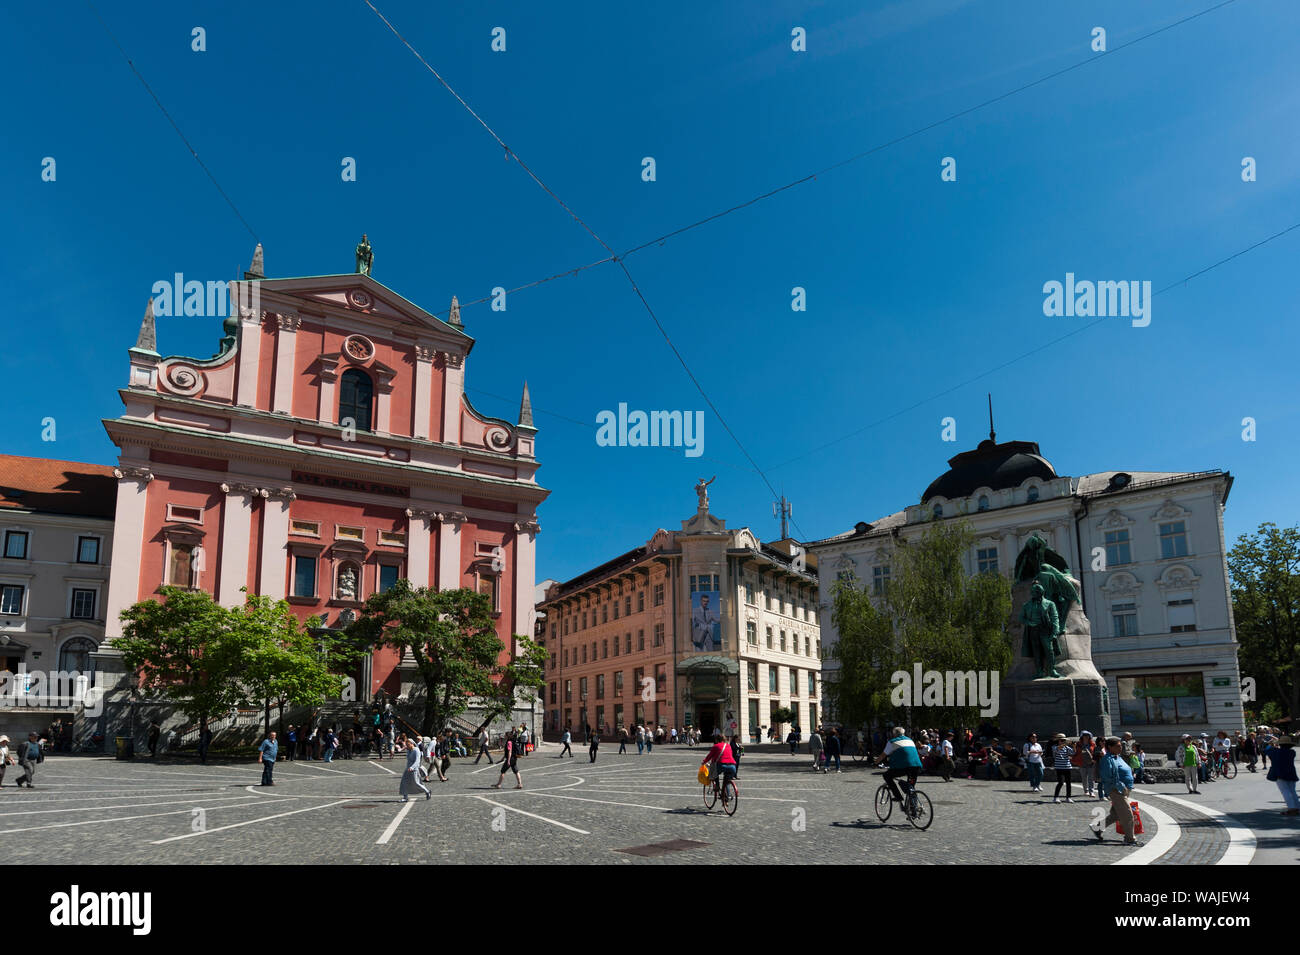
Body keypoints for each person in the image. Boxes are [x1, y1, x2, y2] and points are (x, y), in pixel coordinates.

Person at [1092, 736, 1140, 847]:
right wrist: (1121, 786)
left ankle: (1098, 828)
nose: (1120, 748)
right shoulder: (1107, 759)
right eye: (1118, 746)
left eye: (1120, 746)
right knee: (1128, 814)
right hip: (1117, 790)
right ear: (1110, 747)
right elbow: (1108, 777)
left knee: (1116, 814)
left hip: (1124, 790)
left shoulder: (1117, 757)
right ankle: (1129, 839)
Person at [876, 726, 922, 803]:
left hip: (903, 767)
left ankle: (898, 796)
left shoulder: (892, 742)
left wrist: (875, 762)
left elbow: (883, 755)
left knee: (887, 776)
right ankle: (914, 810)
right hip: (916, 766)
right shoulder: (910, 740)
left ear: (894, 734)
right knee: (911, 788)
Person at [1264, 735, 1298, 815]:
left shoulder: (1275, 751)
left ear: (1280, 744)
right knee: (1292, 791)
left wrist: (1270, 744)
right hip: (1291, 773)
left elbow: (1266, 750)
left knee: (1285, 791)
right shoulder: (1292, 752)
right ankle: (1297, 807)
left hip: (1280, 773)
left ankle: (1291, 808)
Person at [400, 737, 431, 802]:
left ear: (412, 744)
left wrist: (412, 767)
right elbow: (408, 760)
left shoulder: (416, 750)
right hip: (407, 769)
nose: (407, 746)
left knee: (417, 783)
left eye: (408, 745)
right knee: (404, 782)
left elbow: (417, 761)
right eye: (406, 745)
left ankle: (427, 791)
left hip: (414, 769)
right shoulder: (409, 750)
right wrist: (408, 767)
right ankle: (405, 797)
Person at [1050, 734, 1075, 803]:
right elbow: (1057, 750)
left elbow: (1073, 753)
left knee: (1068, 783)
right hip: (1059, 767)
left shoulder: (1066, 747)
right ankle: (1056, 797)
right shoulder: (1054, 747)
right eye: (1062, 740)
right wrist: (1064, 744)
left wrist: (1074, 746)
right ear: (1058, 741)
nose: (1063, 741)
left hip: (1067, 767)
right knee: (1060, 782)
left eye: (1064, 740)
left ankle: (1068, 797)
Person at [1074, 731, 1096, 797]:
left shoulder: (1092, 744)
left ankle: (1091, 791)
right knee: (1084, 778)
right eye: (1084, 736)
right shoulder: (1078, 744)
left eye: (1087, 736)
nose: (1086, 737)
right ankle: (1085, 790)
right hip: (1082, 762)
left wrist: (1094, 759)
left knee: (1091, 778)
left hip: (1091, 763)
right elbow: (1075, 752)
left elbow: (1095, 752)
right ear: (1082, 737)